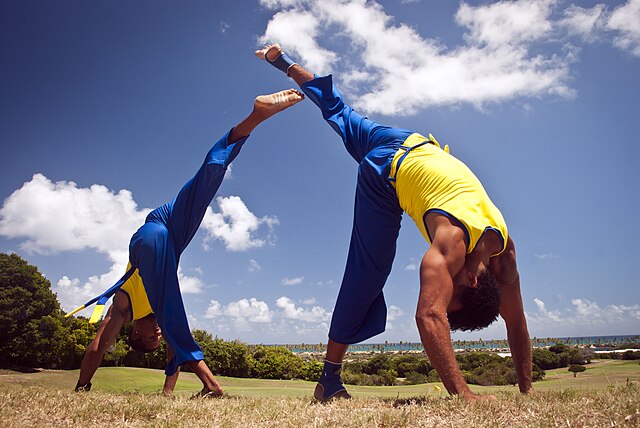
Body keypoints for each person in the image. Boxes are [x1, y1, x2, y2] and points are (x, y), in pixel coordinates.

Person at [256, 45, 533, 402]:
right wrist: (465, 395)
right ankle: (328, 379)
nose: (444, 292)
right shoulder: (450, 245)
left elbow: (516, 322)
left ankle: (280, 60)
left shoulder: (505, 253)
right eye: (453, 295)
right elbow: (429, 317)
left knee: (337, 107)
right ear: (471, 279)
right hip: (385, 174)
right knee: (368, 269)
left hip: (409, 140)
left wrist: (526, 389)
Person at [71, 88, 304, 397]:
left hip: (150, 236)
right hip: (173, 237)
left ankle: (213, 388)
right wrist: (167, 394)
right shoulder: (161, 314)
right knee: (207, 178)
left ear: (134, 334)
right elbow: (173, 348)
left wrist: (82, 386)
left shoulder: (124, 306)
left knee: (173, 323)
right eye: (157, 338)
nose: (156, 333)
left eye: (149, 337)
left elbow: (97, 348)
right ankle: (255, 117)